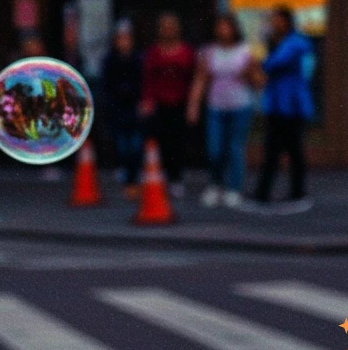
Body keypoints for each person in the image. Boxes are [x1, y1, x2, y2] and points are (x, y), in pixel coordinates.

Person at [187, 13, 262, 207]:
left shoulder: (245, 51)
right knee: (215, 148)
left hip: (240, 106)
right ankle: (215, 185)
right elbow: (200, 80)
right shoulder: (209, 52)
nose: (223, 30)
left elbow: (259, 81)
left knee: (235, 148)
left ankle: (233, 188)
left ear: (234, 29)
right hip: (216, 106)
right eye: (220, 26)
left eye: (226, 26)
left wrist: (250, 72)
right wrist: (193, 105)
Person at [253, 7, 315, 205]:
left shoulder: (295, 43)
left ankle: (291, 192)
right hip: (278, 104)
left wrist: (266, 52)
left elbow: (272, 64)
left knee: (287, 150)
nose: (273, 23)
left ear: (286, 21)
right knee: (277, 150)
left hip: (290, 105)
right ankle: (268, 192)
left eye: (276, 20)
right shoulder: (283, 42)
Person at [140, 13, 195, 197]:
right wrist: (147, 100)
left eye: (171, 26)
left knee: (177, 142)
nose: (168, 30)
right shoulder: (154, 52)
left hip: (180, 102)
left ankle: (176, 177)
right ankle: (159, 174)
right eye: (164, 26)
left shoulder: (186, 51)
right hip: (159, 103)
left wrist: (192, 104)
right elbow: (148, 78)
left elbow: (193, 78)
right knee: (160, 140)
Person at [102, 19, 143, 196]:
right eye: (120, 38)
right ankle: (126, 173)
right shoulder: (110, 60)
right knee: (122, 145)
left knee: (135, 144)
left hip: (134, 108)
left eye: (126, 38)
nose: (123, 42)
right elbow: (107, 85)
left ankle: (134, 175)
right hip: (118, 108)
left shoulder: (138, 58)